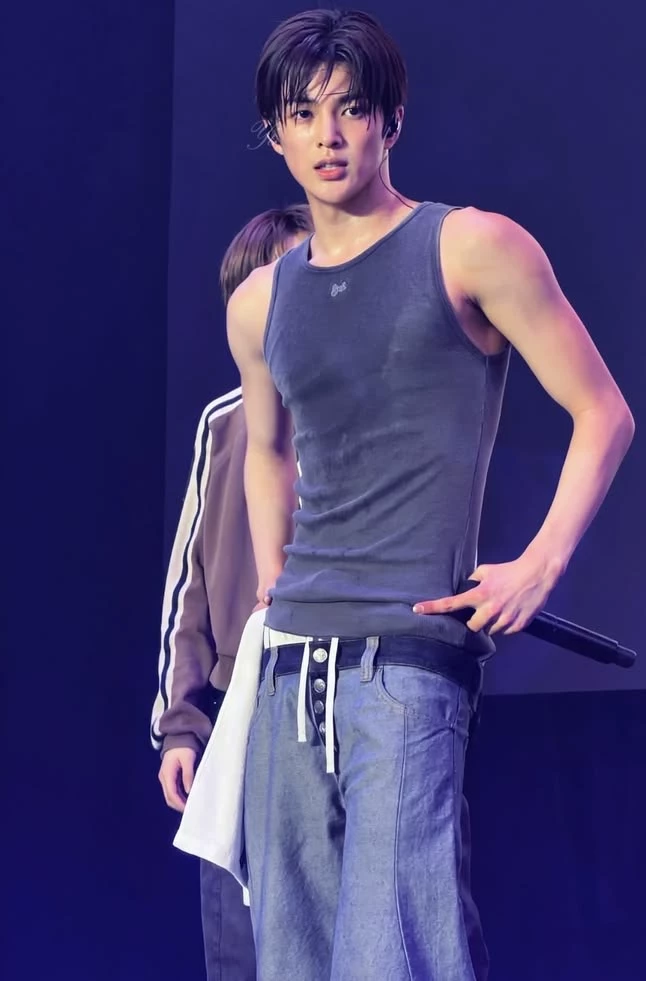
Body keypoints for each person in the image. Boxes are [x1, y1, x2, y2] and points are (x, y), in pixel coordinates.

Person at [226, 9, 635, 980]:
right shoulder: (260, 300)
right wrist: (272, 582)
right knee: (290, 959)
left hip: (405, 665)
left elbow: (603, 412)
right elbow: (265, 451)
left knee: (393, 954)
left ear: (390, 121)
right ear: (274, 133)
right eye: (303, 113)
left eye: (350, 108)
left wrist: (539, 564)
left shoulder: (470, 247)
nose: (328, 135)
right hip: (289, 668)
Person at [151, 204, 312, 981]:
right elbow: (189, 584)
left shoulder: (365, 409)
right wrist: (181, 725)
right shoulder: (225, 423)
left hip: (339, 699)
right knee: (242, 939)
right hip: (239, 710)